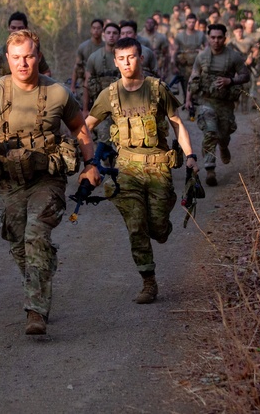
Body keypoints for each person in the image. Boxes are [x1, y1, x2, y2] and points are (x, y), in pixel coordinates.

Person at [0, 29, 100, 335]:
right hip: (9, 180)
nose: (23, 64)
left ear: (39, 56)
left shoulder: (58, 92)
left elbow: (80, 129)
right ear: (7, 59)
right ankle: (42, 267)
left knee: (36, 235)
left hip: (47, 178)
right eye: (17, 58)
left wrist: (90, 164)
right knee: (18, 243)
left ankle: (36, 310)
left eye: (29, 56)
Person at [85, 37, 199, 304]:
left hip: (158, 166)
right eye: (121, 59)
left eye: (132, 57)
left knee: (159, 229)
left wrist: (190, 156)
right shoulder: (109, 95)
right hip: (126, 167)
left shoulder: (157, 89)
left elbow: (176, 124)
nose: (127, 63)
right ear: (115, 62)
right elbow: (85, 125)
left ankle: (160, 223)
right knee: (136, 225)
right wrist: (87, 159)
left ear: (141, 58)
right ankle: (148, 281)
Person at [184, 23, 250, 187]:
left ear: (225, 38)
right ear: (208, 38)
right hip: (207, 102)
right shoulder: (202, 57)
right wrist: (188, 98)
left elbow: (245, 75)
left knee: (223, 134)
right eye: (213, 37)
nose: (216, 41)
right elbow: (194, 77)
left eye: (219, 37)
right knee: (210, 131)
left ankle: (223, 145)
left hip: (225, 103)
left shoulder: (233, 57)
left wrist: (230, 80)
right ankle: (210, 169)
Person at [0, 11, 50, 87]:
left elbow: (46, 72)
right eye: (13, 27)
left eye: (20, 28)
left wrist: (39, 86)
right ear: (8, 28)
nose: (16, 31)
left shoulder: (33, 53)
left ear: (26, 28)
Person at [83, 22, 122, 115]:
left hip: (121, 105)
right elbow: (86, 84)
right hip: (100, 106)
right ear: (103, 35)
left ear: (119, 36)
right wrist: (85, 109)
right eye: (108, 33)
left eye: (115, 33)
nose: (111, 36)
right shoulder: (94, 57)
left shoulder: (124, 57)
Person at [172, 13, 207, 85]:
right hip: (184, 65)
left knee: (197, 85)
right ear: (186, 22)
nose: (191, 24)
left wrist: (203, 51)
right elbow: (175, 50)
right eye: (189, 22)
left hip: (197, 64)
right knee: (185, 85)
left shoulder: (201, 35)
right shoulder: (179, 35)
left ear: (196, 22)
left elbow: (207, 48)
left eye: (193, 22)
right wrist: (174, 65)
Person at [72, 18, 105, 95]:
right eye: (94, 28)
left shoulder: (106, 47)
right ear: (90, 30)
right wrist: (72, 86)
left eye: (98, 28)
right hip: (86, 81)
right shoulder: (83, 47)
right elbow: (76, 67)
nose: (96, 30)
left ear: (102, 30)